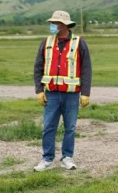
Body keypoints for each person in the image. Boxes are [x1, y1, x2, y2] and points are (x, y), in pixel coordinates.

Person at [33, 10, 92, 171]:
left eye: (55, 23)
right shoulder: (46, 42)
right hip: (51, 94)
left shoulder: (79, 42)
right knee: (48, 127)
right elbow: (38, 67)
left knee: (70, 128)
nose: (52, 26)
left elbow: (86, 69)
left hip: (71, 95)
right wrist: (39, 90)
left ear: (64, 25)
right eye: (52, 23)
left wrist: (85, 93)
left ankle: (67, 157)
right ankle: (47, 159)